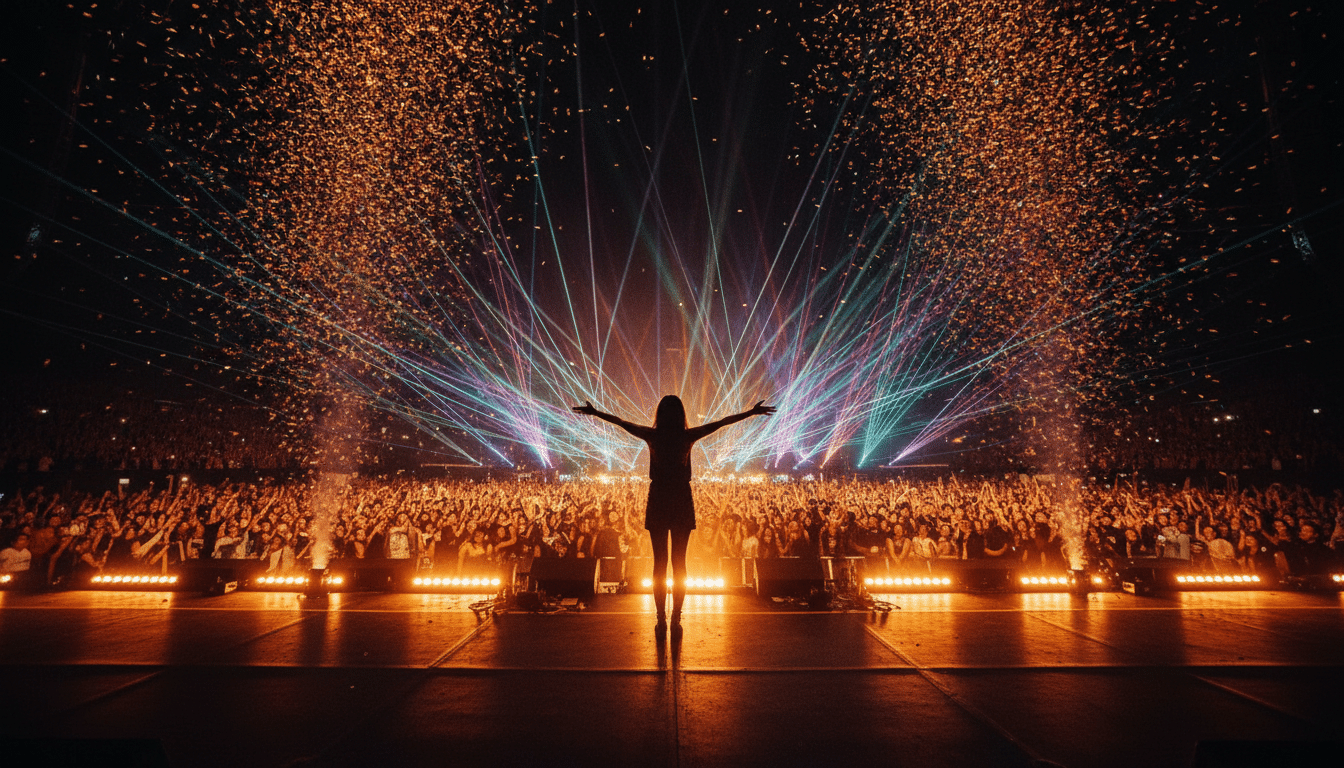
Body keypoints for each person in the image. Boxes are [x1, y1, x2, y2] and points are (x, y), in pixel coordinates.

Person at [573, 395, 774, 635]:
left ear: (660, 413)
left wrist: (595, 413)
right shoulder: (687, 436)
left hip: (658, 497)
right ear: (681, 414)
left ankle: (660, 620)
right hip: (680, 498)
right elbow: (721, 422)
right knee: (679, 564)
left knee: (659, 564)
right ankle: (676, 619)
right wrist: (750, 413)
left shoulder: (653, 435)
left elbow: (620, 422)